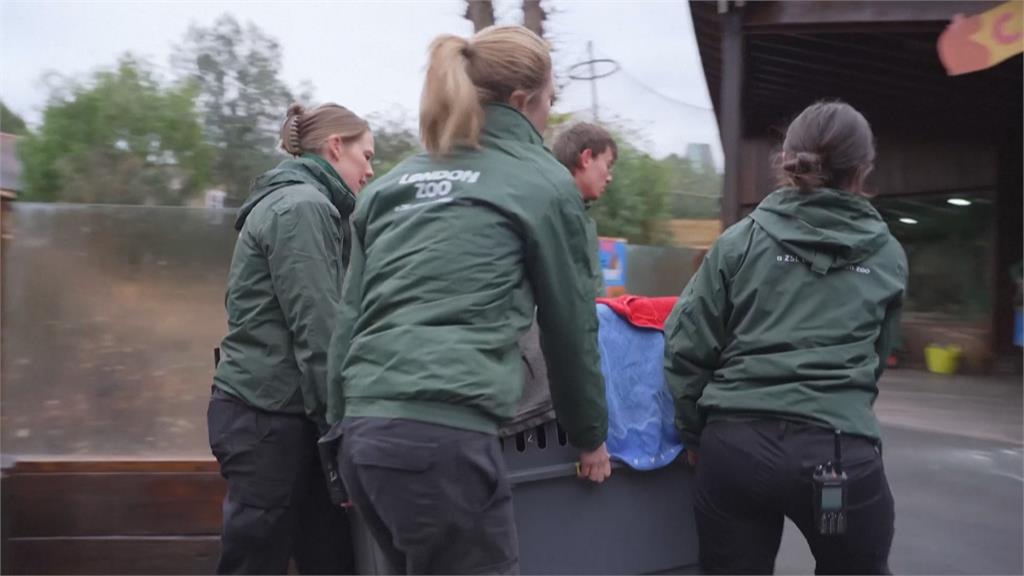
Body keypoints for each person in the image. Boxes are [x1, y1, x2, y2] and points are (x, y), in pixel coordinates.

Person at [325, 25, 611, 575]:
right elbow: (569, 329)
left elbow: (350, 323)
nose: (551, 114)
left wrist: (336, 443)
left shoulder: (391, 188)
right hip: (443, 443)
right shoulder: (545, 186)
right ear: (525, 101)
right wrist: (590, 437)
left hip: (365, 437)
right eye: (551, 100)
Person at [664, 101, 907, 575]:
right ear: (863, 169)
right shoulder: (887, 256)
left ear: (788, 161)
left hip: (736, 457)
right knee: (846, 557)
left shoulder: (741, 241)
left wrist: (695, 433)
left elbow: (687, 345)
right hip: (832, 470)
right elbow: (877, 356)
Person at [207, 102, 375, 575]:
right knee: (256, 561)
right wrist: (341, 432)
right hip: (266, 419)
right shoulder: (302, 207)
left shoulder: (308, 205)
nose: (370, 168)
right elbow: (320, 332)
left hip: (286, 415)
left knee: (331, 556)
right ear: (335, 147)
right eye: (365, 154)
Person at [552, 122, 618, 295]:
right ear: (587, 158)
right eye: (608, 165)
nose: (609, 177)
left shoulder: (576, 216)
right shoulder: (557, 218)